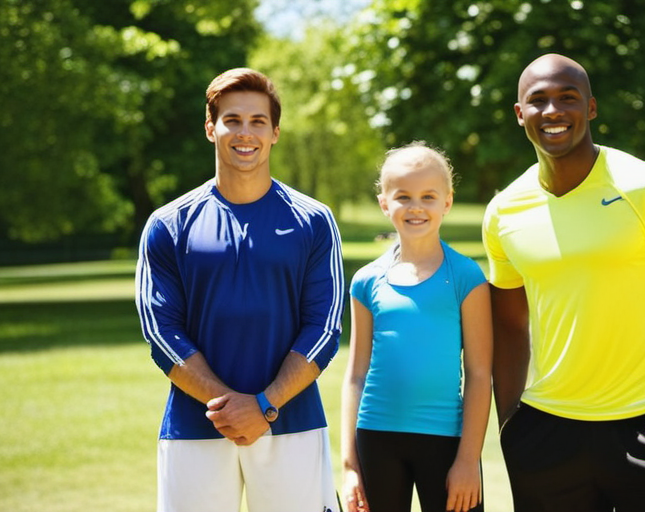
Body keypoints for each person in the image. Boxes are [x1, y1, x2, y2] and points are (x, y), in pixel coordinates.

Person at [482, 53, 645, 512]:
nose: (553, 111)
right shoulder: (504, 211)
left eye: (568, 97)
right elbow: (507, 323)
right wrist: (511, 426)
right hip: (547, 435)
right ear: (520, 114)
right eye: (537, 101)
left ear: (592, 108)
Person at [135, 68, 344, 512]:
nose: (244, 133)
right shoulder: (168, 224)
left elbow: (323, 328)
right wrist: (226, 406)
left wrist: (265, 405)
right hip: (195, 424)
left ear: (275, 134)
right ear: (211, 128)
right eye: (232, 120)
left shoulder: (314, 220)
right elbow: (160, 331)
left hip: (294, 422)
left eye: (257, 122)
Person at [342, 142, 493, 512]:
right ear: (384, 203)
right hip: (376, 438)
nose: (416, 207)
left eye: (428, 196)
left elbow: (478, 372)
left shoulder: (466, 276)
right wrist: (349, 465)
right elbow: (356, 374)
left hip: (445, 440)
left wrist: (468, 460)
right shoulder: (366, 281)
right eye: (403, 196)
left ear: (447, 201)